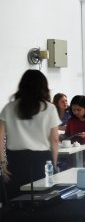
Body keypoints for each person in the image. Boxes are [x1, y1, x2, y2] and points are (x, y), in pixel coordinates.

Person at [0, 70, 59, 202]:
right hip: (41, 160)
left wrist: (2, 163)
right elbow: (54, 140)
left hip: (16, 160)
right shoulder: (49, 108)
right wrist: (53, 164)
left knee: (17, 200)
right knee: (43, 199)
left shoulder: (8, 108)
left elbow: (0, 137)